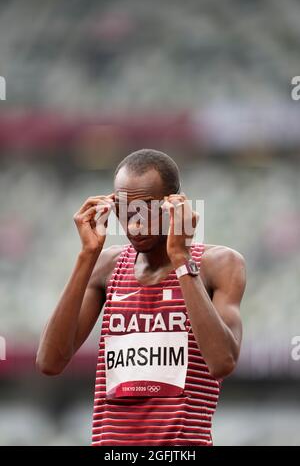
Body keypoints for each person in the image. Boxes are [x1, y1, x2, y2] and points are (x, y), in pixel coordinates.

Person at [36, 149, 246, 446]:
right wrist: (87, 256)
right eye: (125, 210)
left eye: (148, 210)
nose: (135, 224)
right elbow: (50, 362)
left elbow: (221, 361)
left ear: (177, 205)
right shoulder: (106, 267)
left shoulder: (219, 263)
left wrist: (180, 258)